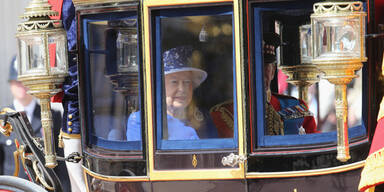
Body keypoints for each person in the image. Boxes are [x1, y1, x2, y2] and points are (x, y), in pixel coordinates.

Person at [210, 33, 317, 136]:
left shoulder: (294, 107)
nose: (259, 71)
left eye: (265, 66)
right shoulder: (223, 114)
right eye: (253, 66)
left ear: (273, 70)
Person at [0, 56, 71, 191]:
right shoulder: (2, 118)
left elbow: (61, 166)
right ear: (10, 84)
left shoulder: (51, 116)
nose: (20, 86)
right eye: (16, 81)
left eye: (24, 81)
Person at [126, 46, 218, 140]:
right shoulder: (142, 120)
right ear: (160, 87)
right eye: (174, 82)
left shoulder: (205, 121)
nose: (182, 89)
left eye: (187, 82)